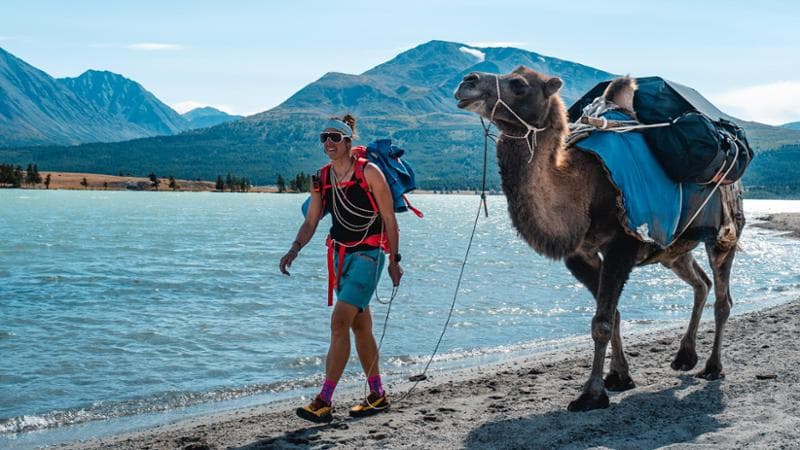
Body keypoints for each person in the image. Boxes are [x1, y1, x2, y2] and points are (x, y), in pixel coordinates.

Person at [280, 115, 403, 423]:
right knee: (360, 328)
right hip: (339, 258)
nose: (329, 143)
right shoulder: (321, 177)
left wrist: (394, 261)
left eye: (335, 137)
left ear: (348, 142)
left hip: (369, 257)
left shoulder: (369, 172)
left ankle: (323, 401)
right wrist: (294, 248)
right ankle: (377, 394)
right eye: (324, 137)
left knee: (339, 322)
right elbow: (311, 221)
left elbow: (389, 218)